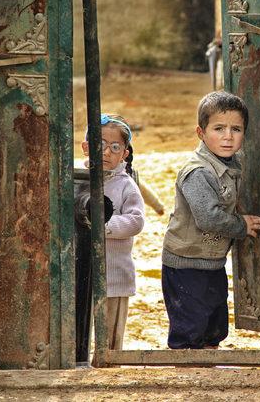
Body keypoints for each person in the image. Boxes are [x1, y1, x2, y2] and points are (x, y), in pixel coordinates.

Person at [161, 91, 260, 349]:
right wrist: (242, 225)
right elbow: (208, 217)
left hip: (211, 263)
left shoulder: (231, 164)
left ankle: (209, 377)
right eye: (219, 128)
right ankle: (190, 380)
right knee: (189, 330)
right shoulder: (197, 172)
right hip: (186, 265)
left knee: (214, 326)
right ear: (201, 132)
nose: (228, 136)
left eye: (236, 129)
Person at [80, 113, 145, 351]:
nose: (106, 152)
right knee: (80, 331)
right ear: (86, 147)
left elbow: (136, 221)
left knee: (110, 340)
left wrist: (104, 227)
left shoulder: (126, 185)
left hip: (115, 275)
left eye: (115, 147)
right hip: (81, 274)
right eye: (99, 145)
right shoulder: (77, 179)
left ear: (124, 153)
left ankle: (109, 368)